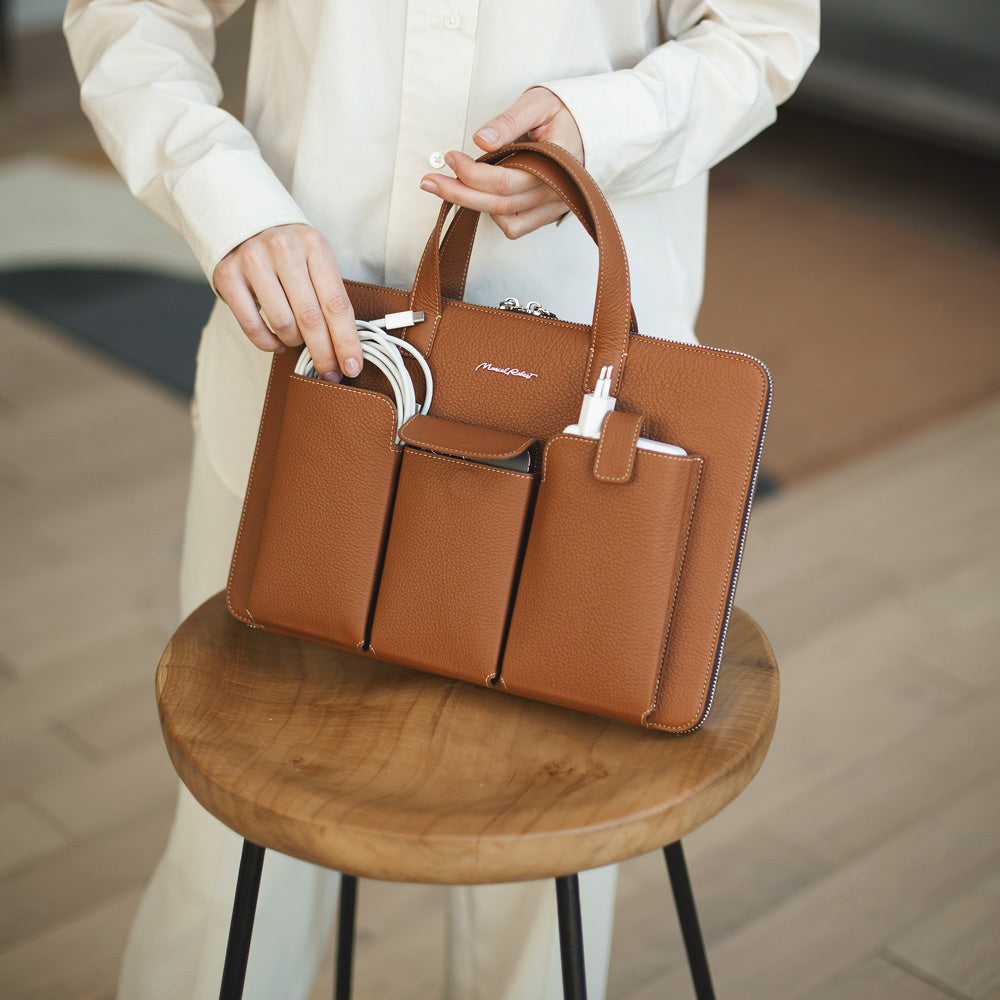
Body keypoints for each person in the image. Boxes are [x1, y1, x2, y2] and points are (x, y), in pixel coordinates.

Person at [64, 2, 818, 997]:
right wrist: (223, 195)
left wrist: (602, 127)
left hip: (590, 451)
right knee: (234, 872)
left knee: (543, 891)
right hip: (307, 384)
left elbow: (762, 31)